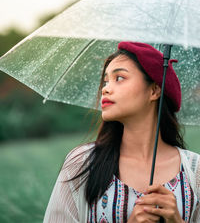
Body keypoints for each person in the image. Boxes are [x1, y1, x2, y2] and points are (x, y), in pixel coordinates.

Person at [43, 42, 200, 223]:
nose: (105, 88)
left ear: (154, 90)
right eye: (105, 81)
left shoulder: (194, 171)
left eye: (119, 78)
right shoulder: (82, 163)